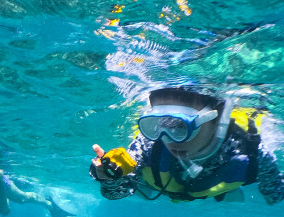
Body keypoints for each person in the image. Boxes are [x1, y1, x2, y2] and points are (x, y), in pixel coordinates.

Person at [90, 86, 284, 203]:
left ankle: (225, 192)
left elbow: (275, 193)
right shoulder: (148, 145)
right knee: (142, 186)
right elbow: (115, 194)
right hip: (161, 187)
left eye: (180, 126)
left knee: (233, 195)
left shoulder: (250, 151)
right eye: (159, 125)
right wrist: (108, 177)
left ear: (218, 120)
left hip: (214, 187)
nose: (168, 139)